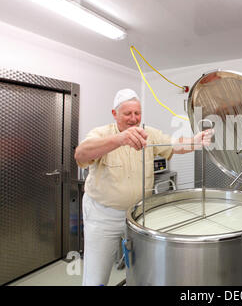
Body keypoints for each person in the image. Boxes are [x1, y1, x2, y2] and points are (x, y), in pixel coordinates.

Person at [74, 88, 213, 286]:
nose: (133, 118)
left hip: (138, 215)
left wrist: (194, 142)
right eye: (127, 113)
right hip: (103, 216)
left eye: (137, 113)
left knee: (142, 271)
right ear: (115, 114)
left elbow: (174, 145)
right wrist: (119, 139)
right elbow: (81, 154)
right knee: (96, 276)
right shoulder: (101, 134)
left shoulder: (148, 134)